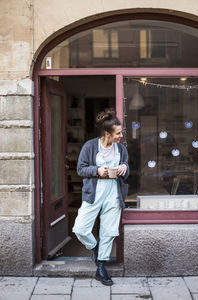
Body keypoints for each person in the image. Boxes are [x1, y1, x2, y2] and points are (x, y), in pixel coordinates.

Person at [72, 108, 129, 286]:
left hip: (113, 193)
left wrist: (125, 167)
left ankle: (101, 268)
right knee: (80, 228)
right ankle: (95, 248)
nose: (121, 136)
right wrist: (96, 170)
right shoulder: (90, 146)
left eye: (121, 132)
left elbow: (126, 170)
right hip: (93, 194)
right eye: (118, 133)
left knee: (109, 231)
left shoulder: (121, 149)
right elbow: (80, 169)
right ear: (107, 133)